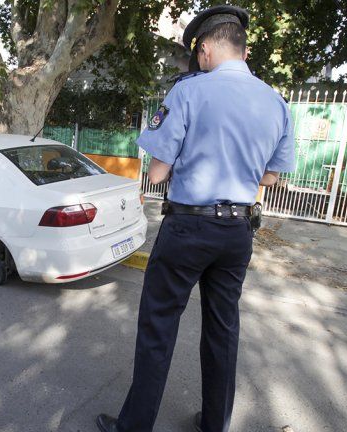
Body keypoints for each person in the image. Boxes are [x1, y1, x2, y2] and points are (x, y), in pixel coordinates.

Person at [95, 5, 296, 432]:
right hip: (239, 231)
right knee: (223, 331)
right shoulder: (276, 102)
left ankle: (134, 427)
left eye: (197, 55)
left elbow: (158, 172)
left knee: (159, 326)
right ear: (241, 48)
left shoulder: (188, 92)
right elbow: (272, 176)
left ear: (205, 48)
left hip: (188, 227)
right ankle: (213, 425)